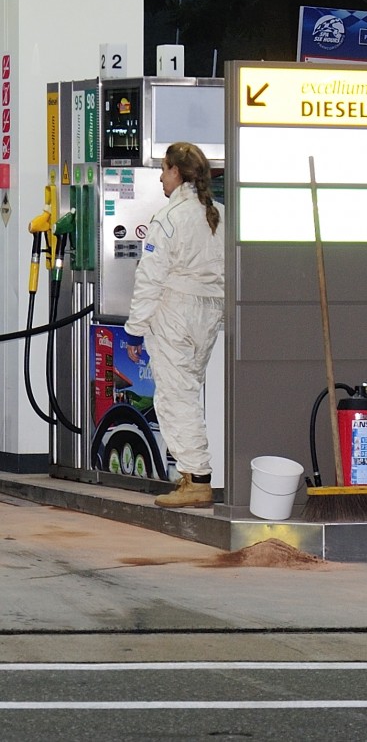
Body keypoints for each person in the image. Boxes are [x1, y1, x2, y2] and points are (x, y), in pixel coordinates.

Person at [125, 142, 225, 509]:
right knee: (188, 391)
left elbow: (149, 279)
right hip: (209, 314)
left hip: (175, 311)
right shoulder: (221, 215)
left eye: (164, 170)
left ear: (178, 173)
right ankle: (192, 474)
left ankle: (196, 478)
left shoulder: (169, 218)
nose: (161, 178)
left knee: (174, 396)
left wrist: (135, 329)